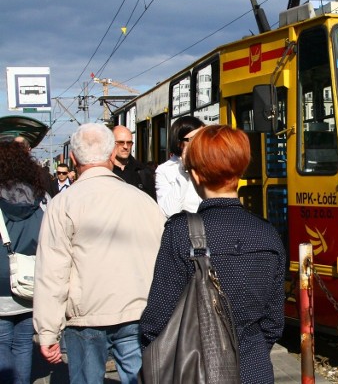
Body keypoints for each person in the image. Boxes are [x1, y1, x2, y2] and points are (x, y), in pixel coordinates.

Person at [140, 125, 286, 384]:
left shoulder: (179, 232)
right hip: (255, 371)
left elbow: (156, 323)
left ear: (195, 176)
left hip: (195, 371)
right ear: (240, 172)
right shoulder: (267, 234)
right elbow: (273, 322)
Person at [33, 123, 166, 384]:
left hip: (85, 318)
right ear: (110, 156)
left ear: (72, 158)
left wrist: (47, 332)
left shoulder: (63, 204)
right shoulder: (143, 201)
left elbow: (52, 272)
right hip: (137, 312)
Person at [0, 141, 47, 384]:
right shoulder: (37, 200)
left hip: (0, 285)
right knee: (23, 345)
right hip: (30, 282)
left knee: (2, 343)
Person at [154, 116, 204, 218]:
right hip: (187, 230)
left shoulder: (212, 162)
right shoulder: (165, 170)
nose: (200, 142)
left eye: (203, 137)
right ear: (179, 143)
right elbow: (169, 212)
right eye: (193, 139)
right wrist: (184, 171)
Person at [111, 125, 156, 200]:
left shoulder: (143, 172)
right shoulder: (104, 171)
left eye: (129, 143)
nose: (125, 147)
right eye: (121, 142)